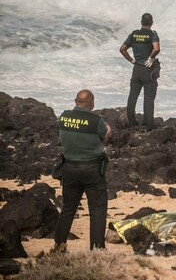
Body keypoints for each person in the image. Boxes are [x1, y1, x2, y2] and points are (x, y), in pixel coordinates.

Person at [54, 89, 112, 251]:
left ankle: (59, 245)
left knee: (68, 209)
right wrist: (107, 133)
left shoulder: (64, 117)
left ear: (75, 101)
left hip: (69, 168)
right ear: (91, 102)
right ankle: (97, 249)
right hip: (92, 169)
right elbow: (105, 136)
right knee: (98, 209)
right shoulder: (96, 121)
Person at [120, 13, 160, 131]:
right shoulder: (153, 35)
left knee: (133, 95)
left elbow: (122, 49)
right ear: (151, 22)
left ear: (141, 22)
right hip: (148, 70)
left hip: (136, 69)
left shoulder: (134, 34)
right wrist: (151, 58)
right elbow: (156, 49)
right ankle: (148, 125)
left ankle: (132, 122)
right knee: (148, 97)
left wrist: (131, 60)